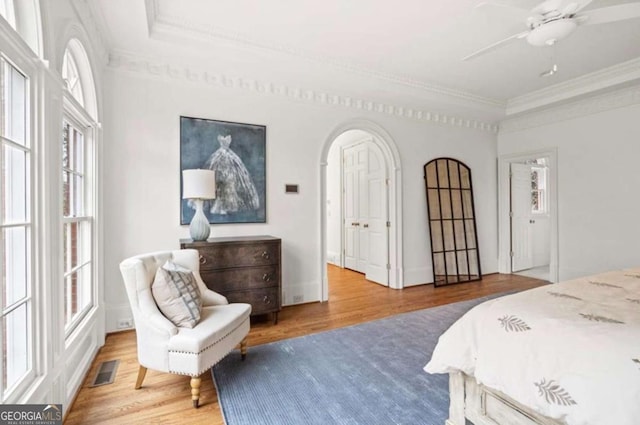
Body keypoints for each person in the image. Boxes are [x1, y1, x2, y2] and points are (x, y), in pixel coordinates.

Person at [204, 134, 259, 214]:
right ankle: (220, 205)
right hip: (221, 163)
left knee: (230, 185)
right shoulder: (218, 156)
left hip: (229, 167)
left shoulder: (231, 157)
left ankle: (227, 205)